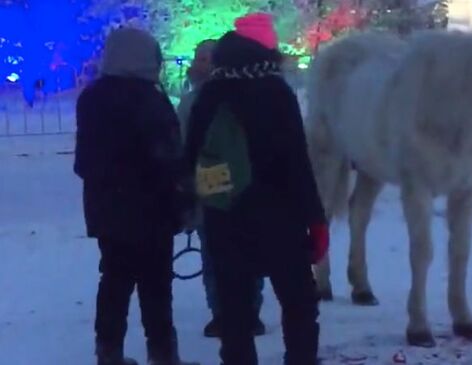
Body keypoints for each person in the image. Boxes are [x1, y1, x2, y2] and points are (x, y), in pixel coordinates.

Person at [184, 13, 329, 365]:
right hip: (280, 216)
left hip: (224, 215)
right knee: (298, 305)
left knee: (234, 311)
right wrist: (316, 219)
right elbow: (297, 161)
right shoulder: (276, 91)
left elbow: (190, 157)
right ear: (267, 46)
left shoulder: (209, 93)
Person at [74, 27, 198, 365]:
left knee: (114, 281)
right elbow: (169, 157)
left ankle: (108, 351)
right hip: (152, 211)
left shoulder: (92, 98)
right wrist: (185, 200)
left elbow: (85, 162)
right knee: (156, 287)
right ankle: (163, 353)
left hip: (107, 211)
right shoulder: (150, 100)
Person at [177, 39, 266, 338]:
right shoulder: (190, 102)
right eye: (198, 57)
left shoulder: (241, 98)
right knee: (213, 255)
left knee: (246, 253)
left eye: (207, 58)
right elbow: (183, 145)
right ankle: (222, 312)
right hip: (208, 188)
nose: (201, 64)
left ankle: (249, 311)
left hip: (243, 187)